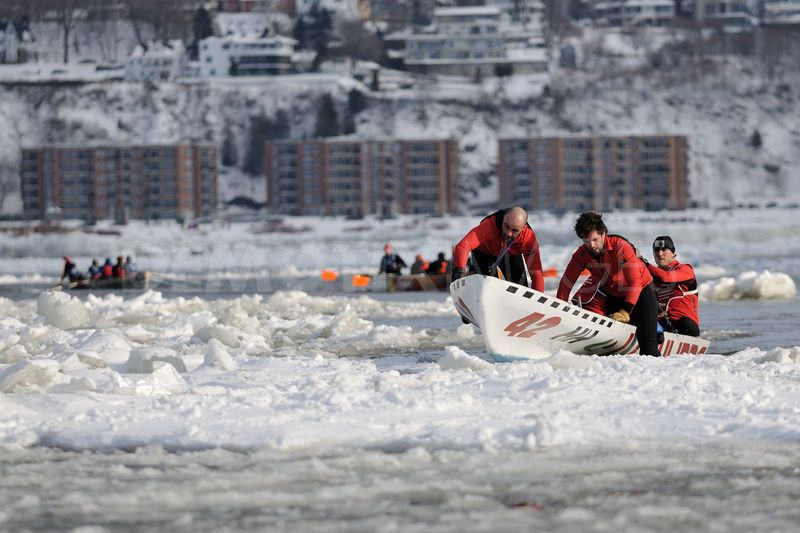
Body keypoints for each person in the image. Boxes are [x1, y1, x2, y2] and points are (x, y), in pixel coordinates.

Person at [556, 212, 661, 357]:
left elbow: (634, 283)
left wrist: (625, 311)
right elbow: (566, 284)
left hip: (642, 291)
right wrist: (559, 311)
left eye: (595, 239)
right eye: (586, 241)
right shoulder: (581, 254)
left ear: (604, 234)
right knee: (608, 351)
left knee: (648, 346)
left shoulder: (620, 246)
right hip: (614, 294)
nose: (591, 245)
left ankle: (655, 327)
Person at [452, 206, 544, 291]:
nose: (508, 233)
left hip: (510, 254)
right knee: (486, 288)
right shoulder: (490, 225)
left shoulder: (529, 239)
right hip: (483, 253)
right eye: (506, 226)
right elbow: (463, 246)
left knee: (520, 287)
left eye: (514, 230)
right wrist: (459, 272)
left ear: (523, 229)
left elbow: (537, 275)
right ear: (503, 219)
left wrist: (537, 305)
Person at [647, 235, 700, 337]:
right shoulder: (651, 275)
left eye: (664, 249)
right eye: (656, 250)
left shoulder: (686, 269)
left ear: (673, 253)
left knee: (685, 324)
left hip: (686, 326)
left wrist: (644, 263)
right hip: (664, 324)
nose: (660, 253)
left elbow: (667, 278)